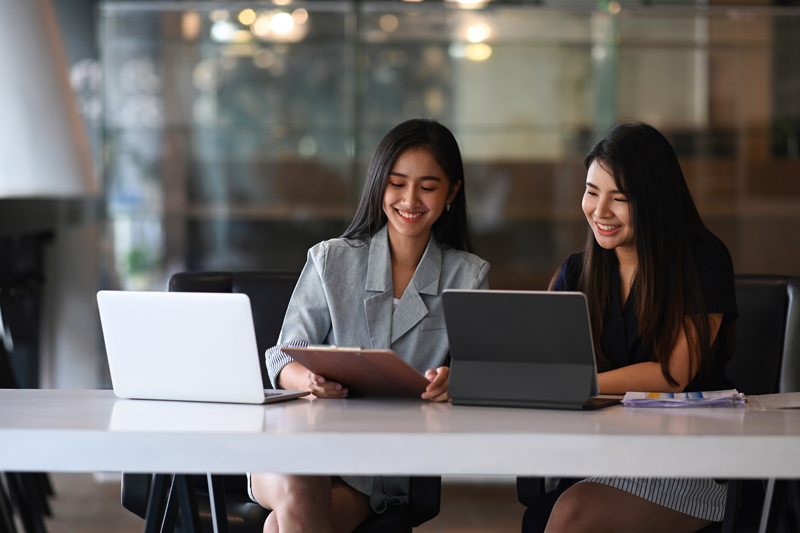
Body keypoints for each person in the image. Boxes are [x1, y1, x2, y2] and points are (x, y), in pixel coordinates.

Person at [249, 118, 490, 533]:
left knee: (281, 525)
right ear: (379, 184)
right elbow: (281, 356)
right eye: (396, 183)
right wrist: (309, 380)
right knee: (299, 482)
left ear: (452, 192)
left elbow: (483, 369)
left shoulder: (467, 276)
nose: (410, 199)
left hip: (376, 466)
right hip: (301, 443)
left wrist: (456, 380)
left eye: (428, 187)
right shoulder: (331, 260)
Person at [542, 122, 738, 533]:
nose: (600, 211)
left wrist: (579, 383)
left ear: (654, 202)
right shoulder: (577, 272)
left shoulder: (702, 261)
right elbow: (544, 363)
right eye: (592, 192)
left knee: (571, 514)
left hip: (688, 458)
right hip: (600, 450)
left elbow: (671, 374)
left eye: (620, 198)